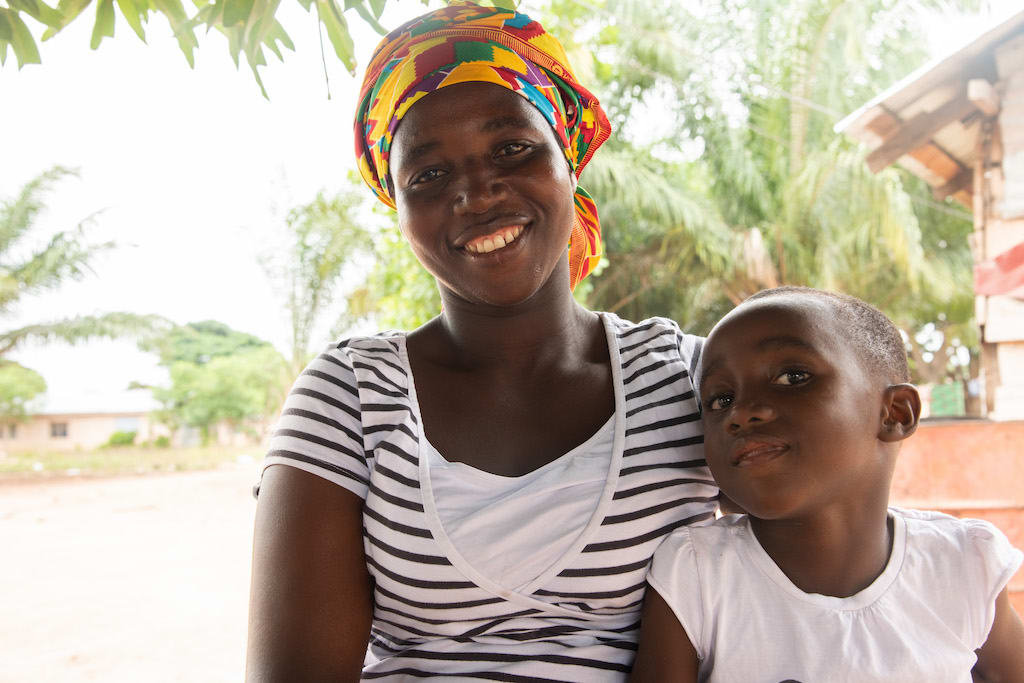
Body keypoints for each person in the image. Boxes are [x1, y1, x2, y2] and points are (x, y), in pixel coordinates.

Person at [245, 3, 719, 680]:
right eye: (429, 174)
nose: (476, 191)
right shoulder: (349, 397)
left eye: (512, 148)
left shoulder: (689, 377)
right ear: (399, 208)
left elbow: (815, 583)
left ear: (569, 160)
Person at [629, 286, 1024, 683]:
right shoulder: (697, 573)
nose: (742, 412)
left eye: (792, 377)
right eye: (719, 399)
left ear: (895, 414)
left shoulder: (962, 564)